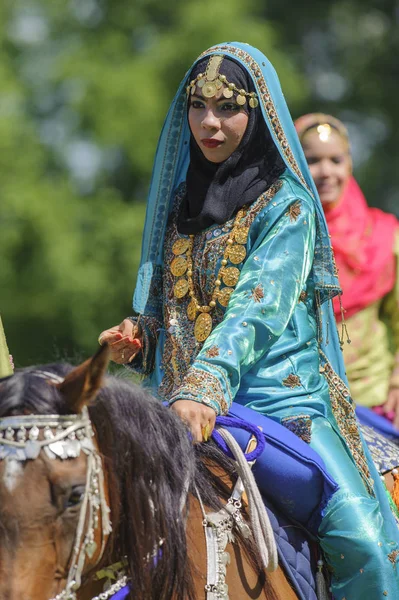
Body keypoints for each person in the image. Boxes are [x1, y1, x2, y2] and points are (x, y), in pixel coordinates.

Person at [99, 43, 399, 597]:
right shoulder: (182, 202)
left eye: (228, 107)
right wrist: (143, 332)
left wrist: (206, 386)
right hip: (184, 412)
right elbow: (178, 301)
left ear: (257, 112)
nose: (209, 123)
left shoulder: (288, 205)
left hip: (280, 411)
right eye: (198, 106)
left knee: (368, 548)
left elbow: (256, 309)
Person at [295, 113, 399, 433]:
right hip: (303, 400)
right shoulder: (285, 238)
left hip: (377, 404)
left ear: (349, 164)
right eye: (312, 160)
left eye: (335, 160)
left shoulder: (384, 236)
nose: (326, 172)